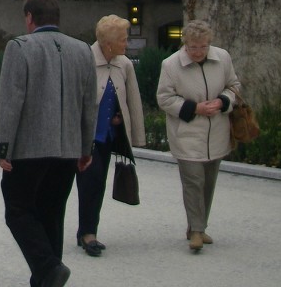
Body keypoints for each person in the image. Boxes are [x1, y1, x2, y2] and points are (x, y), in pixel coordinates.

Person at [0, 0, 96, 287]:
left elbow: (11, 102)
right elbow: (89, 104)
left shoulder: (20, 47)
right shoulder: (83, 50)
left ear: (29, 17)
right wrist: (86, 148)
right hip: (68, 149)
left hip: (29, 148)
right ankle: (47, 278)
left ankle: (48, 267)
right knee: (52, 213)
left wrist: (4, 147)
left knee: (17, 210)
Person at [156, 19, 240, 252]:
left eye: (203, 46)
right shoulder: (170, 64)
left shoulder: (222, 58)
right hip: (187, 134)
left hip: (217, 132)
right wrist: (195, 108)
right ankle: (195, 231)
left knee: (208, 183)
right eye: (193, 47)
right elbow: (164, 98)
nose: (198, 52)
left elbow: (234, 86)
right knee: (193, 181)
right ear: (185, 43)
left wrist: (222, 102)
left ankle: (199, 227)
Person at [74, 14, 146, 256]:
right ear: (108, 44)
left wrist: (130, 128)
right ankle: (87, 233)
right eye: (123, 40)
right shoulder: (84, 60)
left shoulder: (123, 64)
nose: (126, 43)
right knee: (88, 183)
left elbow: (132, 100)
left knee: (98, 183)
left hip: (107, 136)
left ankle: (87, 231)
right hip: (84, 136)